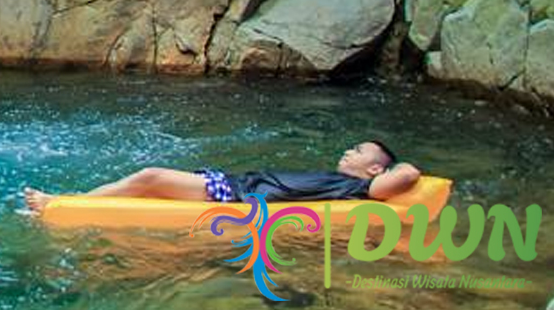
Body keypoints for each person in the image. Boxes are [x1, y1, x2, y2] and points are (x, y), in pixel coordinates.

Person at [22, 140, 422, 213]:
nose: (347, 151)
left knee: (148, 176)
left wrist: (391, 170)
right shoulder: (346, 181)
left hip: (232, 194)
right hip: (234, 184)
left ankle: (64, 202)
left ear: (374, 168)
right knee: (148, 183)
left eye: (358, 151)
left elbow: (409, 175)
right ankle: (73, 200)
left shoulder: (360, 186)